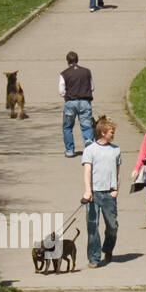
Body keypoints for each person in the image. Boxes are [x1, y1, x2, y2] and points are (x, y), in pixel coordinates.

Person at [81, 115, 121, 268]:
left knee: (112, 226)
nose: (113, 134)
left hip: (109, 193)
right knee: (93, 226)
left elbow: (117, 172)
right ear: (103, 132)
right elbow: (87, 172)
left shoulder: (116, 150)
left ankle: (108, 248)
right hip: (93, 194)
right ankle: (94, 258)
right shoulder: (90, 150)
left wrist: (116, 189)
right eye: (111, 131)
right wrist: (87, 191)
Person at [59, 51, 94, 157]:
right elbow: (92, 87)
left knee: (68, 127)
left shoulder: (64, 74)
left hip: (70, 102)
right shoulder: (87, 71)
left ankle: (70, 150)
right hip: (85, 102)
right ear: (77, 60)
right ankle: (89, 147)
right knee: (87, 126)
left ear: (67, 61)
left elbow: (61, 92)